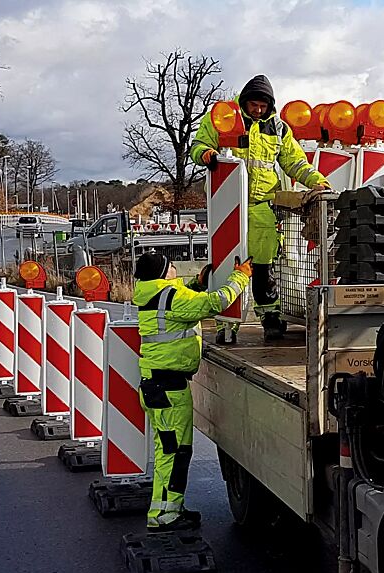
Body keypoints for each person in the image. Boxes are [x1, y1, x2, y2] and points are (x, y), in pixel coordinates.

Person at [190, 74, 331, 343]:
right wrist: (205, 155)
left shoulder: (278, 128)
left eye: (262, 106)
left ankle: (269, 316)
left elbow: (295, 162)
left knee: (263, 265)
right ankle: (225, 322)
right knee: (226, 264)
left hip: (261, 204)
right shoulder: (224, 117)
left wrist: (316, 181)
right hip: (226, 202)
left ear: (270, 106)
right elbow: (198, 145)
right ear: (244, 102)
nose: (257, 110)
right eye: (253, 105)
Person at [132, 252, 252, 531]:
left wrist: (197, 284)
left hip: (157, 385)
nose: (175, 269)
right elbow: (216, 302)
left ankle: (167, 509)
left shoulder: (154, 294)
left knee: (168, 451)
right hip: (168, 388)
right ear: (163, 272)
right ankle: (165, 515)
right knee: (175, 452)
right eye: (171, 266)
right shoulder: (171, 297)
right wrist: (241, 276)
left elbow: (182, 302)